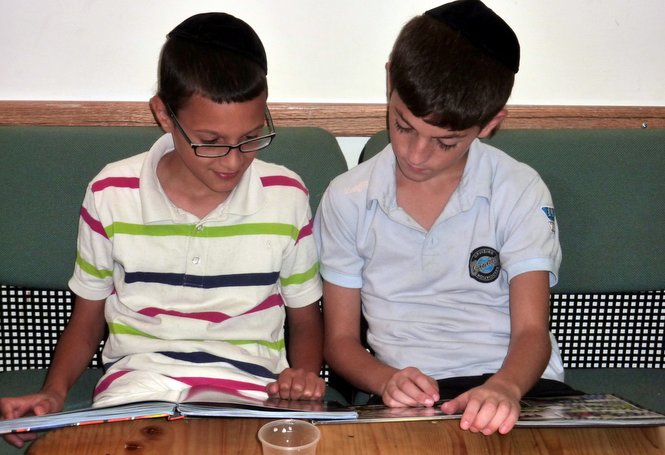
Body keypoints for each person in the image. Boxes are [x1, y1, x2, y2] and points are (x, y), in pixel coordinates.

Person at [1, 12, 324, 449]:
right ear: (164, 115)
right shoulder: (111, 192)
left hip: (251, 391)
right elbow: (88, 314)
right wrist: (53, 394)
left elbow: (304, 317)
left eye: (251, 138)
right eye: (210, 142)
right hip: (136, 387)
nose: (232, 161)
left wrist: (301, 377)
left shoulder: (286, 195)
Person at [314, 0, 576, 436]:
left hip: (523, 391)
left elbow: (532, 329)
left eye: (446, 143)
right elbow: (340, 342)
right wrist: (386, 380)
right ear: (388, 80)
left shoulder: (517, 188)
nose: (415, 155)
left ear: (490, 124)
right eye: (403, 126)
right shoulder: (348, 198)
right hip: (412, 401)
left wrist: (504, 387)